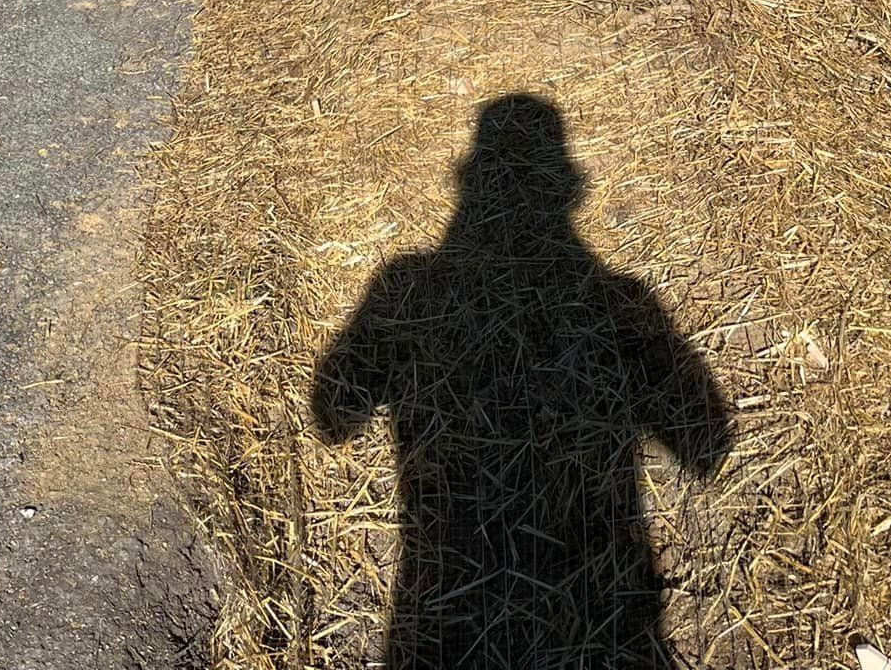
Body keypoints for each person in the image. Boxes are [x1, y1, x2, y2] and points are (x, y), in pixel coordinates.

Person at [312, 93, 730, 668]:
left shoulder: (406, 281)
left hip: (444, 600)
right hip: (602, 607)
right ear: (568, 183)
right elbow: (706, 442)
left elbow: (334, 415)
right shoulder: (623, 299)